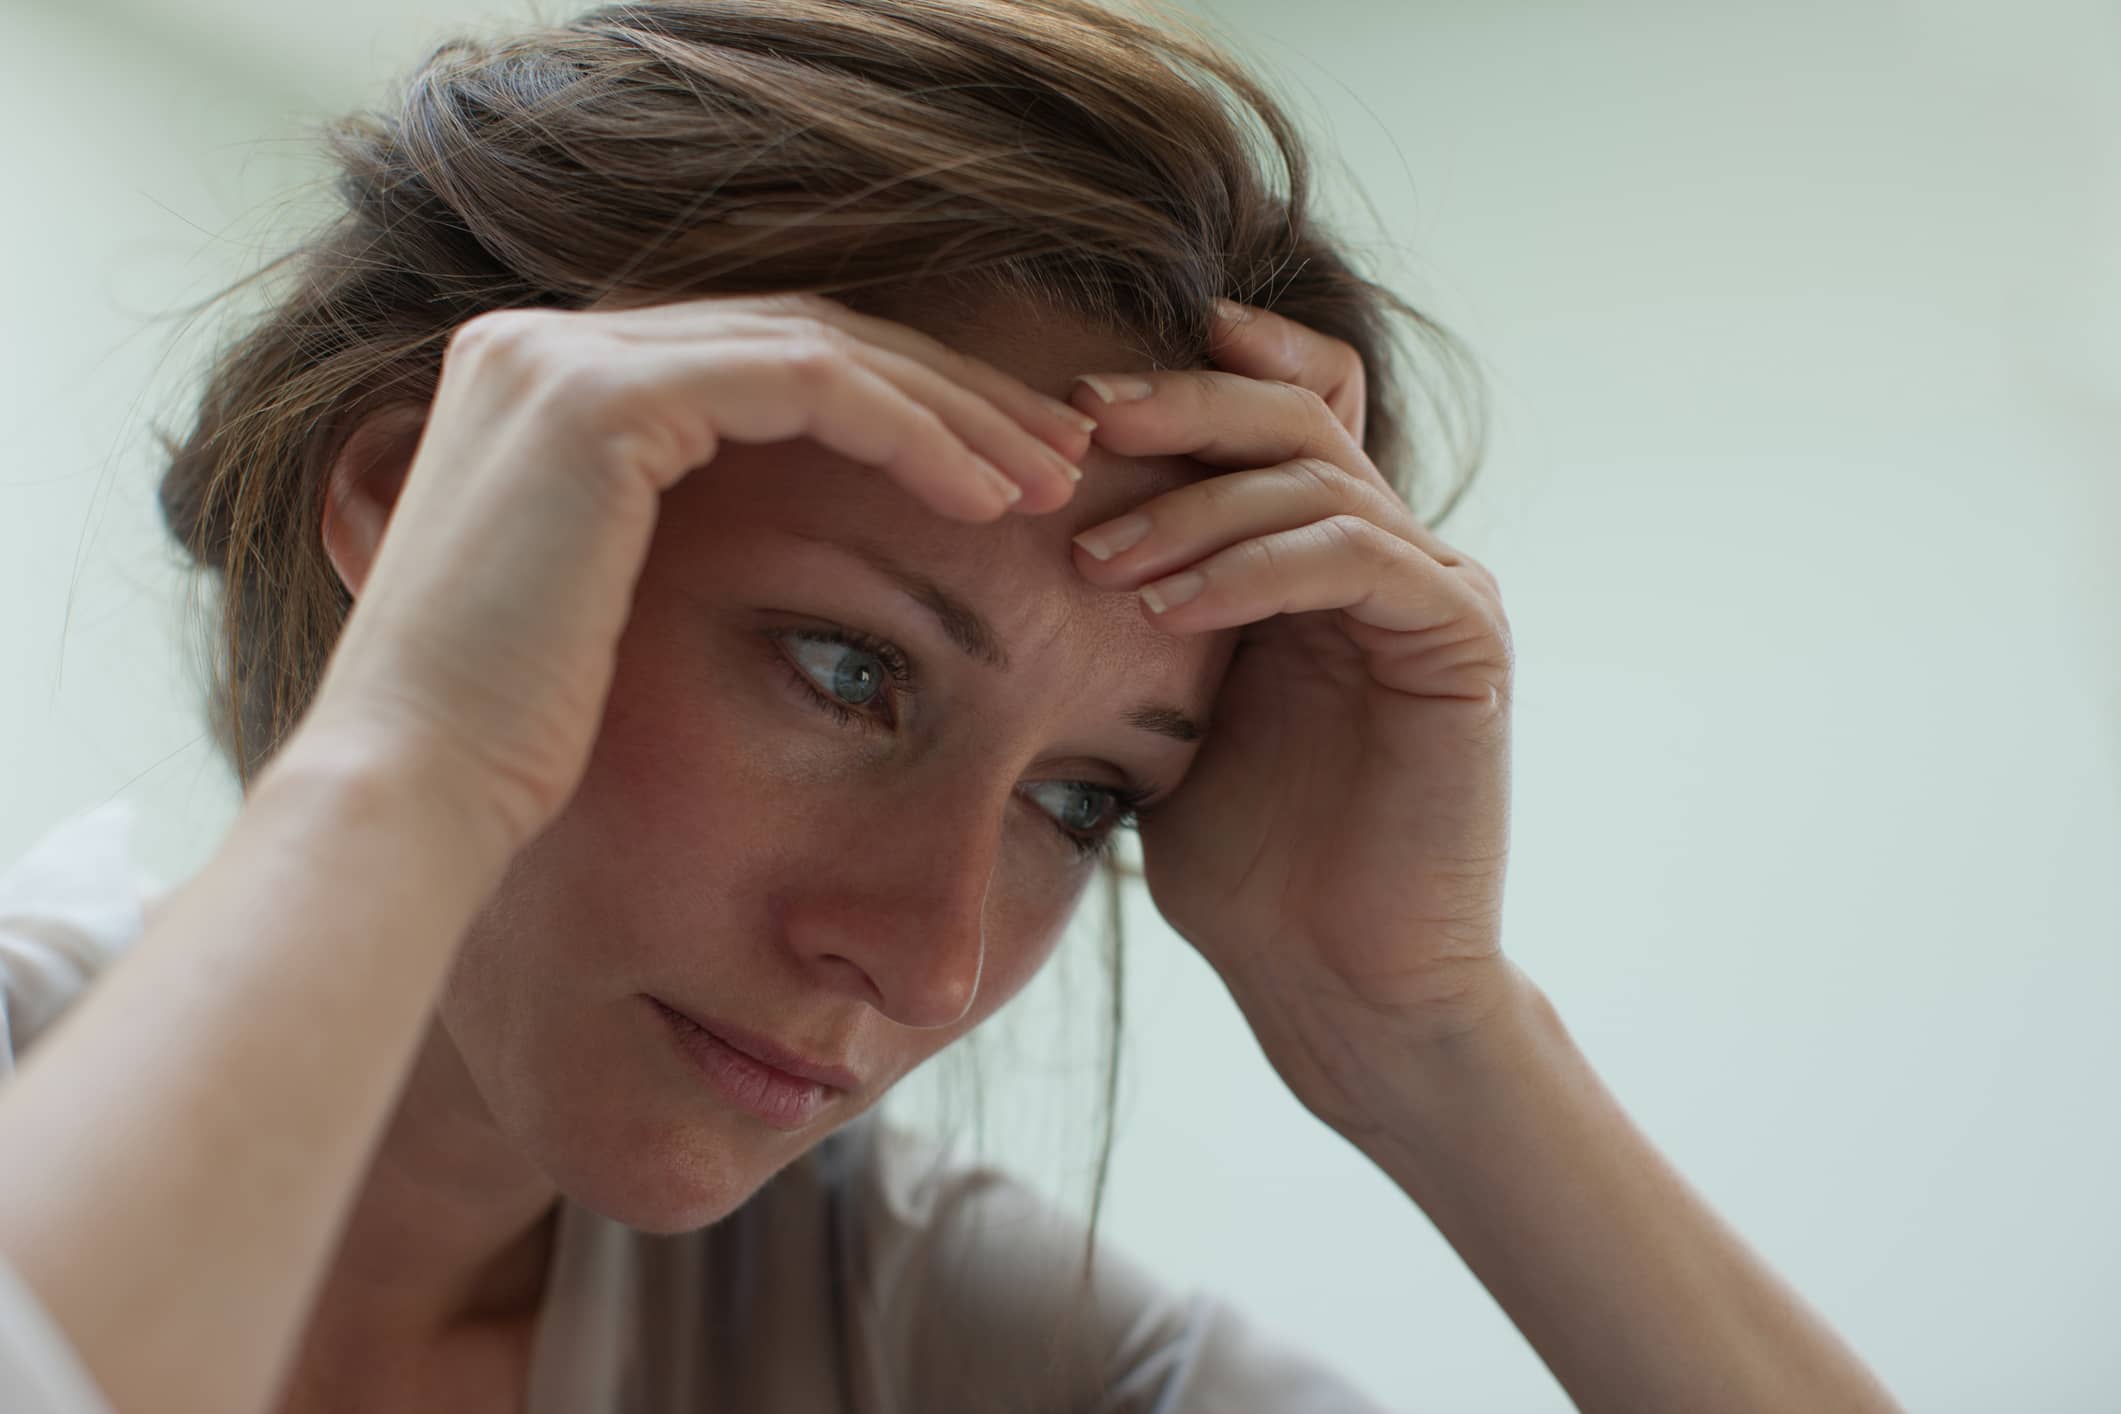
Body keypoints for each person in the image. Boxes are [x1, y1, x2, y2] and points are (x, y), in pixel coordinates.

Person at [0, 2, 1909, 1412]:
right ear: (424, 514)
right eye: (852, 670)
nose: (929, 957)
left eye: (1084, 798)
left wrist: (1424, 1032)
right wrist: (407, 770)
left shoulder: (909, 1326)